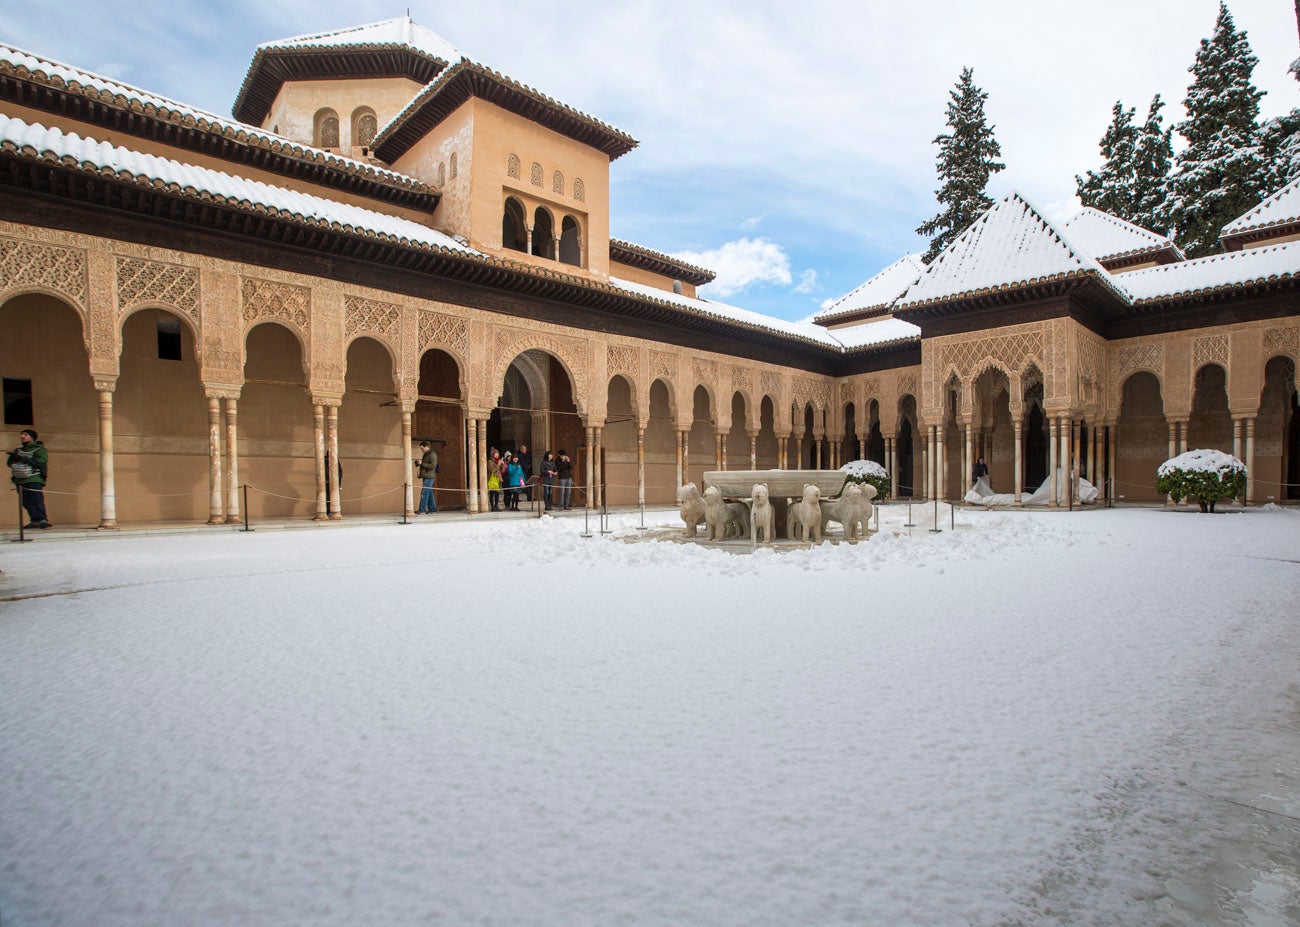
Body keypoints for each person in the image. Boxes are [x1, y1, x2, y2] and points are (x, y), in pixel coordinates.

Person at [8, 428, 50, 529]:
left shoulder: (40, 450)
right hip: (20, 479)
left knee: (37, 499)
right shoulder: (18, 450)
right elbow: (10, 464)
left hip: (34, 478)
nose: (22, 436)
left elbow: (41, 462)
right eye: (22, 434)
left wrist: (23, 459)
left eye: (25, 434)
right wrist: (13, 458)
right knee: (26, 501)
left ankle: (42, 519)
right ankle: (34, 520)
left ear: (32, 437)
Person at [416, 440, 438, 514]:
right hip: (426, 476)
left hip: (429, 477)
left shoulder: (432, 454)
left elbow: (432, 466)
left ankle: (422, 510)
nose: (422, 450)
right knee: (429, 494)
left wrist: (422, 463)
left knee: (424, 493)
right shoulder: (427, 454)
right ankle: (433, 509)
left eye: (422, 449)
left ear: (426, 447)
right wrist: (420, 464)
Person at [486, 447, 502, 512]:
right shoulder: (489, 461)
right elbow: (492, 470)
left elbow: (500, 470)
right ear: (493, 454)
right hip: (492, 479)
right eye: (496, 453)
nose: (497, 454)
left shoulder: (497, 461)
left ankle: (496, 506)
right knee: (492, 493)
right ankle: (492, 507)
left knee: (497, 494)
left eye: (498, 453)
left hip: (497, 479)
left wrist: (502, 464)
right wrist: (498, 465)